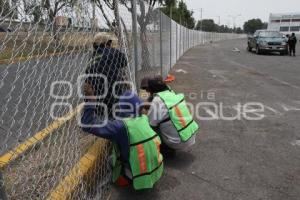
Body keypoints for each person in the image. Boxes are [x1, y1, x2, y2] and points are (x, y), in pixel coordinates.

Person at [81, 83, 164, 190]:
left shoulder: (120, 127)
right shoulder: (144, 119)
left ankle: (124, 179)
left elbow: (87, 124)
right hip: (156, 169)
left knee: (111, 160)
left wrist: (91, 100)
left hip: (139, 175)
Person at [143, 76, 199, 156]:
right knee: (166, 118)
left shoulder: (157, 100)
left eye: (148, 89)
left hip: (178, 142)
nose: (146, 91)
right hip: (190, 135)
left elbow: (151, 124)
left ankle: (165, 149)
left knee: (150, 126)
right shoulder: (171, 93)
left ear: (152, 89)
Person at [85, 33, 128, 118]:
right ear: (107, 43)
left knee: (102, 121)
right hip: (113, 97)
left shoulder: (92, 57)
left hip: (97, 100)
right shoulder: (112, 52)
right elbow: (124, 62)